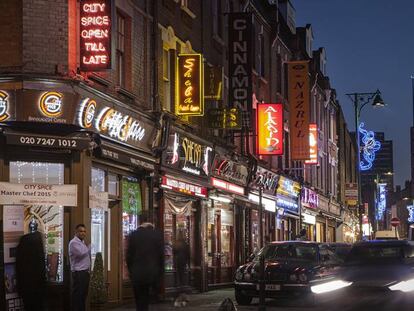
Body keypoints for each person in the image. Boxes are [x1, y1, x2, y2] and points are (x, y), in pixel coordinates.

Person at [127, 220, 164, 311]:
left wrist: (131, 271)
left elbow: (129, 256)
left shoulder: (134, 235)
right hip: (152, 273)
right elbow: (161, 256)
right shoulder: (156, 235)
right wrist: (160, 273)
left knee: (139, 300)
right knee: (148, 299)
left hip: (137, 273)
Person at [16, 218, 46, 311]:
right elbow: (42, 269)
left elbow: (19, 266)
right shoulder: (37, 242)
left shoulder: (24, 241)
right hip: (37, 286)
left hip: (27, 286)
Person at [69, 224, 91, 311]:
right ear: (76, 232)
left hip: (84, 272)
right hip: (79, 273)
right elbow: (80, 253)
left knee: (83, 295)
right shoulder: (73, 243)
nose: (83, 233)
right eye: (81, 231)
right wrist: (89, 247)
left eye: (84, 231)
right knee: (78, 296)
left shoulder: (82, 242)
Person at [173, 231, 190, 307]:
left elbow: (173, 252)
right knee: (183, 278)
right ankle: (183, 295)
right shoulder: (185, 244)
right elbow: (188, 254)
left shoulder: (176, 244)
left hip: (177, 262)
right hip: (183, 262)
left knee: (178, 278)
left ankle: (178, 294)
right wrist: (188, 263)